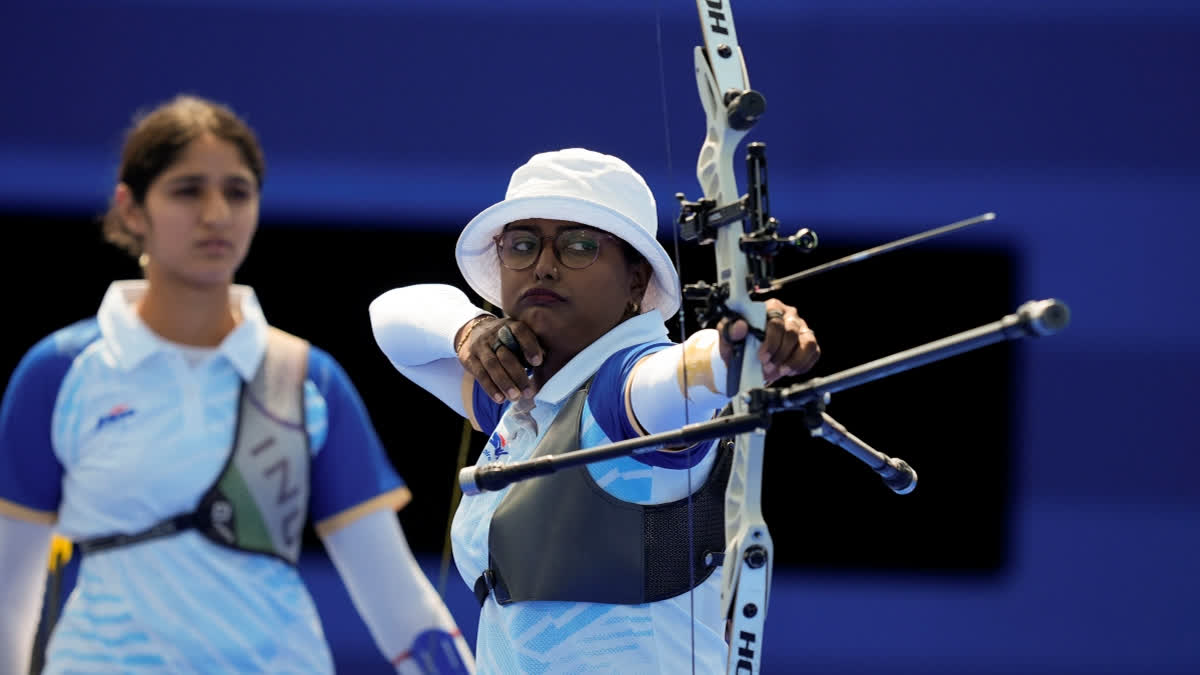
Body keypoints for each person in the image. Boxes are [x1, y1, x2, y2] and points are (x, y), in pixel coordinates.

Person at [0, 94, 474, 674]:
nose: (217, 213)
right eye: (188, 189)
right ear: (130, 209)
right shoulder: (59, 372)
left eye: (238, 191)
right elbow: (9, 595)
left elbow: (398, 602)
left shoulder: (308, 379)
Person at [369, 147, 820, 673]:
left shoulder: (626, 392)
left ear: (635, 281)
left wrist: (743, 347)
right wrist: (470, 331)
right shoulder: (518, 399)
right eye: (522, 244)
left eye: (579, 246)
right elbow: (390, 319)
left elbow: (684, 375)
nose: (544, 264)